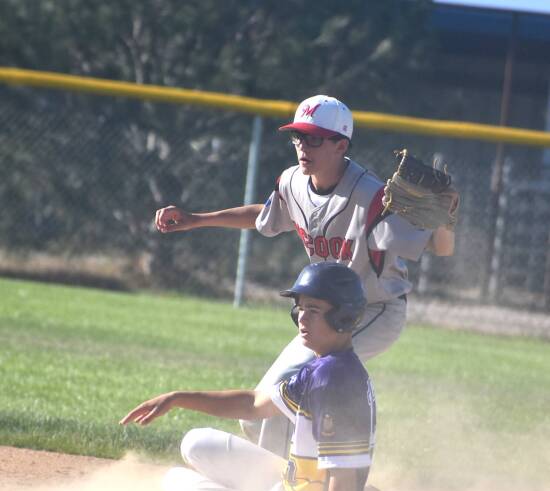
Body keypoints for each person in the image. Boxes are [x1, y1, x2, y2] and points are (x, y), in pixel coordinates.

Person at [154, 94, 455, 457]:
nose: (302, 146)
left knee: (285, 395)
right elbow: (264, 216)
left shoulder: (371, 197)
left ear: (340, 145)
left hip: (375, 310)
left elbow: (441, 248)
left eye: (314, 138)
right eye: (298, 136)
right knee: (256, 414)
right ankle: (315, 477)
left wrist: (445, 219)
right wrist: (196, 220)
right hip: (327, 313)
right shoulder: (292, 182)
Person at [120, 262, 376, 491]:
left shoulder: (331, 380)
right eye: (300, 308)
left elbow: (342, 477)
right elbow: (253, 405)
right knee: (195, 442)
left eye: (314, 310)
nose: (301, 318)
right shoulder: (329, 366)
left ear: (343, 317)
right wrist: (178, 399)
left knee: (174, 483)